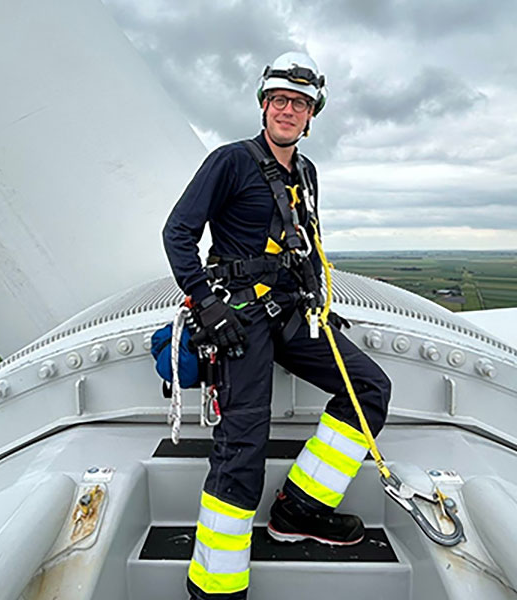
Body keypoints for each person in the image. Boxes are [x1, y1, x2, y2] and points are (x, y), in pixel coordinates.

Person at [162, 51, 391, 600]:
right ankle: (214, 584)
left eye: (300, 103)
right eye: (280, 100)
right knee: (244, 443)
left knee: (369, 389)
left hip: (290, 310)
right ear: (264, 106)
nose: (289, 110)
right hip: (238, 317)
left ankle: (300, 508)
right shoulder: (230, 161)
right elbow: (178, 233)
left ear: (312, 116)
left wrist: (316, 297)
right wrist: (205, 304)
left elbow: (305, 243)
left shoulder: (306, 173)